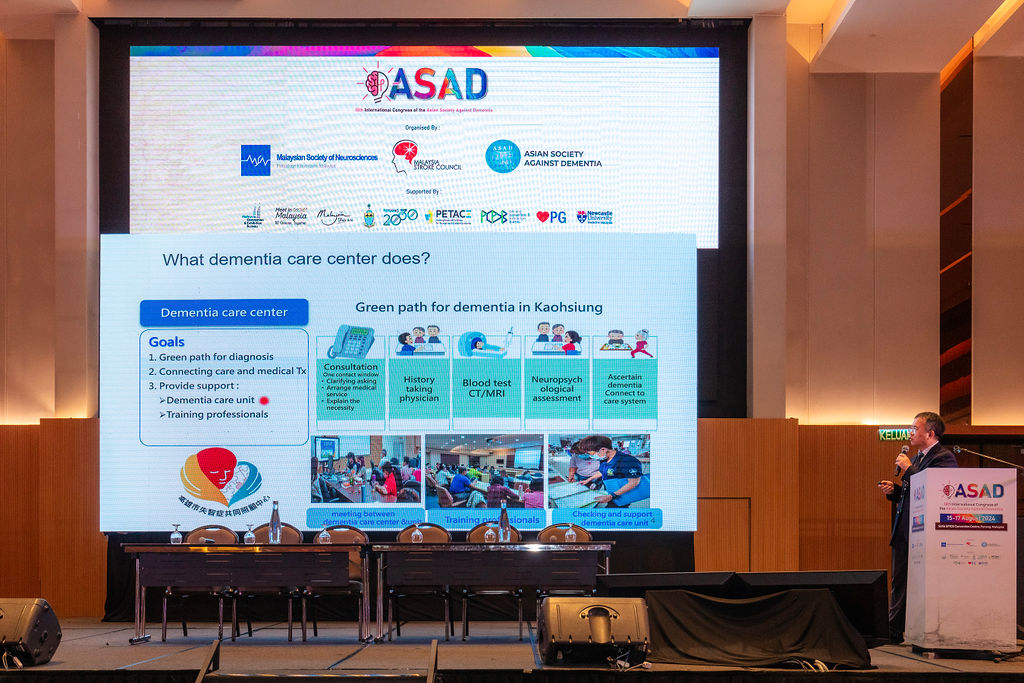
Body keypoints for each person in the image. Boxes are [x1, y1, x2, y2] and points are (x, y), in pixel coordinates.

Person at [876, 411, 957, 643]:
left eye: (914, 429)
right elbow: (914, 493)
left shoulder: (944, 458)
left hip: (927, 533)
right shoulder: (918, 458)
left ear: (930, 433)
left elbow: (935, 489)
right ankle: (893, 631)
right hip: (906, 529)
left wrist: (909, 468)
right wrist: (895, 491)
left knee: (919, 584)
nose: (910, 433)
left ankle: (901, 630)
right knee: (900, 581)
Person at [577, 434, 650, 508]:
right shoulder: (604, 459)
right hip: (611, 491)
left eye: (591, 454)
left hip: (622, 494)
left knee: (617, 509)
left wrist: (612, 496)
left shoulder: (627, 461)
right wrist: (588, 480)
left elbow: (634, 482)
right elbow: (602, 472)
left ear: (603, 450)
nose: (591, 456)